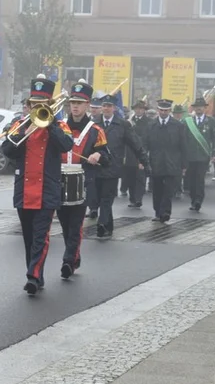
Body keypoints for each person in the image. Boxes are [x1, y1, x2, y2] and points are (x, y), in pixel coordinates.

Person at [1, 74, 74, 295]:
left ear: (49, 105)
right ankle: (36, 273)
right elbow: (7, 150)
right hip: (24, 188)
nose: (37, 107)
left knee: (41, 236)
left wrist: (50, 125)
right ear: (29, 104)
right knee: (29, 236)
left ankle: (32, 275)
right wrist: (23, 130)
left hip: (47, 189)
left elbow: (66, 145)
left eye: (42, 104)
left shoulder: (60, 125)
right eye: (34, 104)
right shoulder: (19, 125)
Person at [55, 81, 110, 280]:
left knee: (76, 224)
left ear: (87, 105)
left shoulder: (95, 130)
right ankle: (74, 256)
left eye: (80, 103)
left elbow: (106, 155)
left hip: (83, 182)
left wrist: (99, 156)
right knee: (65, 224)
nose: (75, 106)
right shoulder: (59, 127)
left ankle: (68, 261)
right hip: (59, 181)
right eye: (72, 103)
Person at [96, 94, 147, 237]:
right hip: (96, 166)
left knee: (107, 197)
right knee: (99, 198)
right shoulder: (94, 123)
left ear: (114, 108)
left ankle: (101, 223)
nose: (106, 109)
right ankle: (109, 225)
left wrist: (144, 160)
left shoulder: (122, 124)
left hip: (113, 166)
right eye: (104, 106)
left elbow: (135, 144)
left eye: (109, 106)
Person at [143, 99, 186, 223]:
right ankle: (157, 212)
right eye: (161, 110)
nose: (163, 112)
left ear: (169, 111)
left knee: (168, 189)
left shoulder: (178, 125)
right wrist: (143, 159)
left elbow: (183, 145)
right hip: (155, 162)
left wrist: (184, 164)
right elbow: (145, 144)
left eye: (166, 110)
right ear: (158, 110)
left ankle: (166, 212)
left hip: (172, 162)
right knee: (156, 189)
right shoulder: (151, 125)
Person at [183, 97, 215, 212]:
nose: (198, 109)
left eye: (201, 107)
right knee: (191, 179)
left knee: (200, 179)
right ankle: (193, 199)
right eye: (196, 107)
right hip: (190, 156)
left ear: (205, 108)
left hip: (203, 156)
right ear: (194, 108)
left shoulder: (211, 121)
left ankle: (198, 200)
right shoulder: (188, 121)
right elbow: (184, 139)